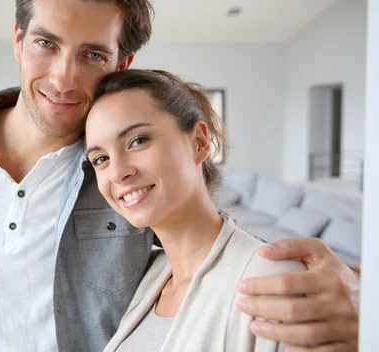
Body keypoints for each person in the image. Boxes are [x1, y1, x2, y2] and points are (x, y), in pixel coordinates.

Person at [0, 0, 360, 351]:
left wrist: (361, 291)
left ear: (121, 63)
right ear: (18, 39)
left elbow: (212, 245)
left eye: (92, 55)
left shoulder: (119, 179)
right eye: (46, 43)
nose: (63, 78)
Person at [84, 69, 303, 351]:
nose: (117, 173)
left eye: (137, 141)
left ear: (199, 142)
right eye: (100, 158)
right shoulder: (151, 275)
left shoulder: (270, 280)